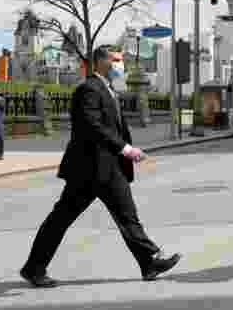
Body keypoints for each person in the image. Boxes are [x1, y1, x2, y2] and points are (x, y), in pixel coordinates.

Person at [19, 45, 180, 287]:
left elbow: (111, 127)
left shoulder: (108, 89)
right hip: (88, 169)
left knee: (128, 216)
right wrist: (125, 149)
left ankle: (149, 262)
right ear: (101, 62)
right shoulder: (88, 89)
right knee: (60, 220)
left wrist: (122, 151)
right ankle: (34, 268)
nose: (120, 64)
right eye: (116, 60)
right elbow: (92, 126)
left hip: (108, 168)